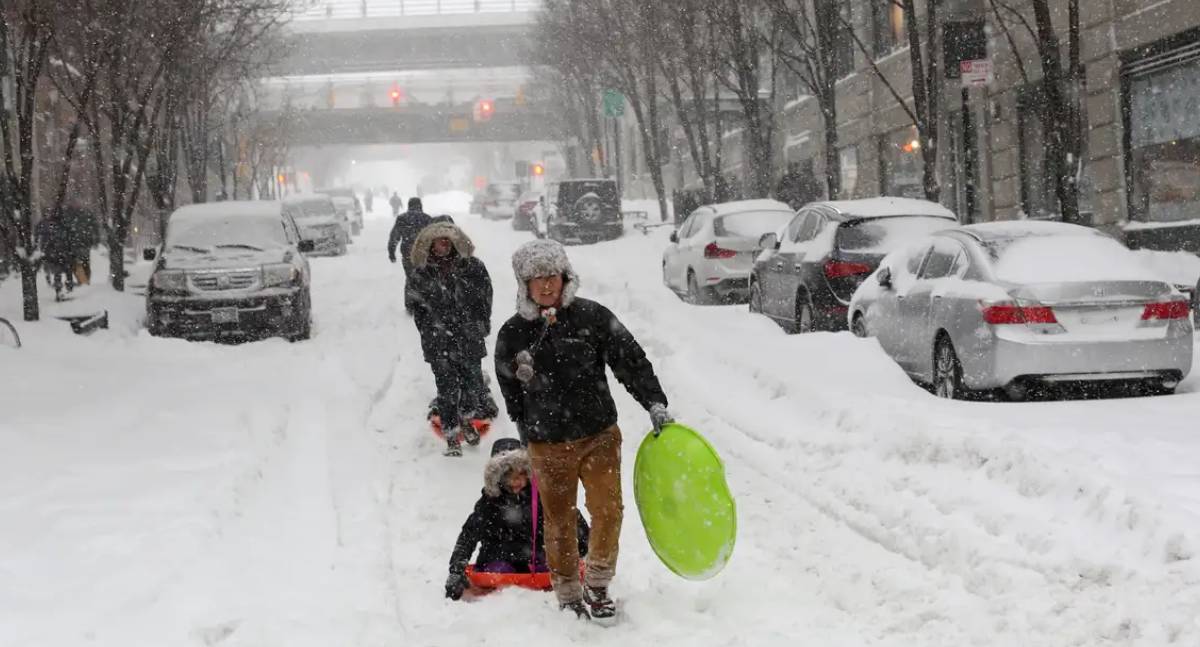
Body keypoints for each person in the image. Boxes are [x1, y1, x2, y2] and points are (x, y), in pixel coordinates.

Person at [494, 239, 674, 620]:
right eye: (537, 279)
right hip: (548, 443)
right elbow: (508, 384)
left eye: (553, 277)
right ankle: (568, 592)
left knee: (609, 511)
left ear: (565, 277)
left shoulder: (592, 317)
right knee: (559, 520)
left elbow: (631, 360)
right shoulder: (513, 333)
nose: (547, 286)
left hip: (599, 435)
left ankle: (597, 583)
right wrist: (525, 428)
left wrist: (654, 402)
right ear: (524, 284)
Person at [445, 438, 591, 601]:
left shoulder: (540, 496)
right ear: (498, 477)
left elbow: (569, 517)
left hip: (537, 557)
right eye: (509, 476)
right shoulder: (489, 502)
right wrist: (456, 570)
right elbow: (469, 534)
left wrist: (585, 548)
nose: (516, 481)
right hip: (498, 558)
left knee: (552, 567)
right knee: (499, 572)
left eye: (521, 475)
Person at [408, 220, 496, 456]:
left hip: (469, 338)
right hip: (439, 342)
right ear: (430, 245)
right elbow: (416, 307)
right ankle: (451, 436)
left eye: (446, 240)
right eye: (438, 242)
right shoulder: (421, 273)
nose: (442, 245)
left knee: (473, 385)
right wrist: (429, 331)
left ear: (455, 242)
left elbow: (485, 296)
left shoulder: (473, 267)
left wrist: (481, 324)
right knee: (446, 388)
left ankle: (467, 420)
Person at [388, 197, 434, 315]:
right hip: (424, 255)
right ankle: (426, 303)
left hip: (408, 254)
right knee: (426, 278)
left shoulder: (402, 218)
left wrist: (391, 252)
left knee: (410, 278)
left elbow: (394, 237)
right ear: (420, 205)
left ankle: (410, 306)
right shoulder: (427, 219)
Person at [35, 210, 74, 299]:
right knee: (64, 271)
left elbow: (46, 240)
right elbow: (68, 239)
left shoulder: (51, 226)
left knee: (60, 272)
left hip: (57, 253)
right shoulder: (59, 226)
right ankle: (64, 289)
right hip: (59, 253)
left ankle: (61, 289)